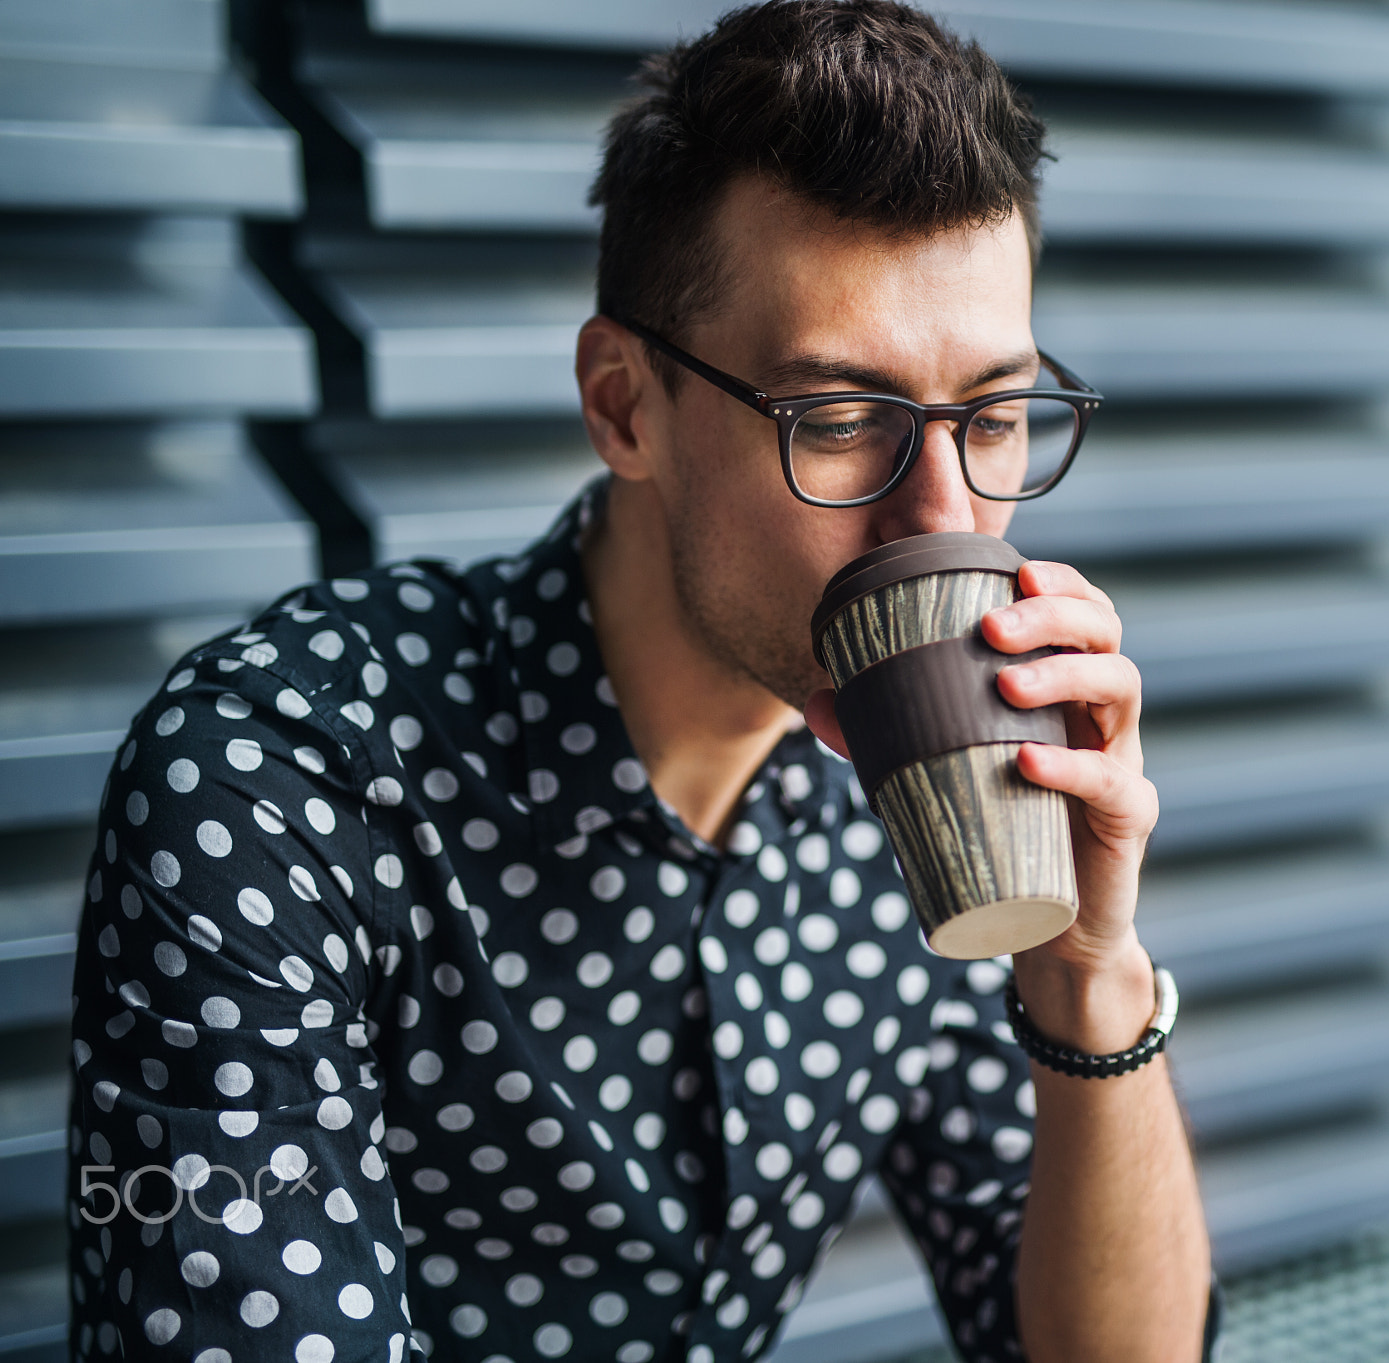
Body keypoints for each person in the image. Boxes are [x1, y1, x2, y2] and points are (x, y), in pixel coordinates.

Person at [67, 2, 1215, 1360]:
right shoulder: (275, 781)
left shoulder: (937, 798)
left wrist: (1093, 980)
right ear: (623, 404)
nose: (941, 515)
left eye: (996, 416)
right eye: (841, 421)